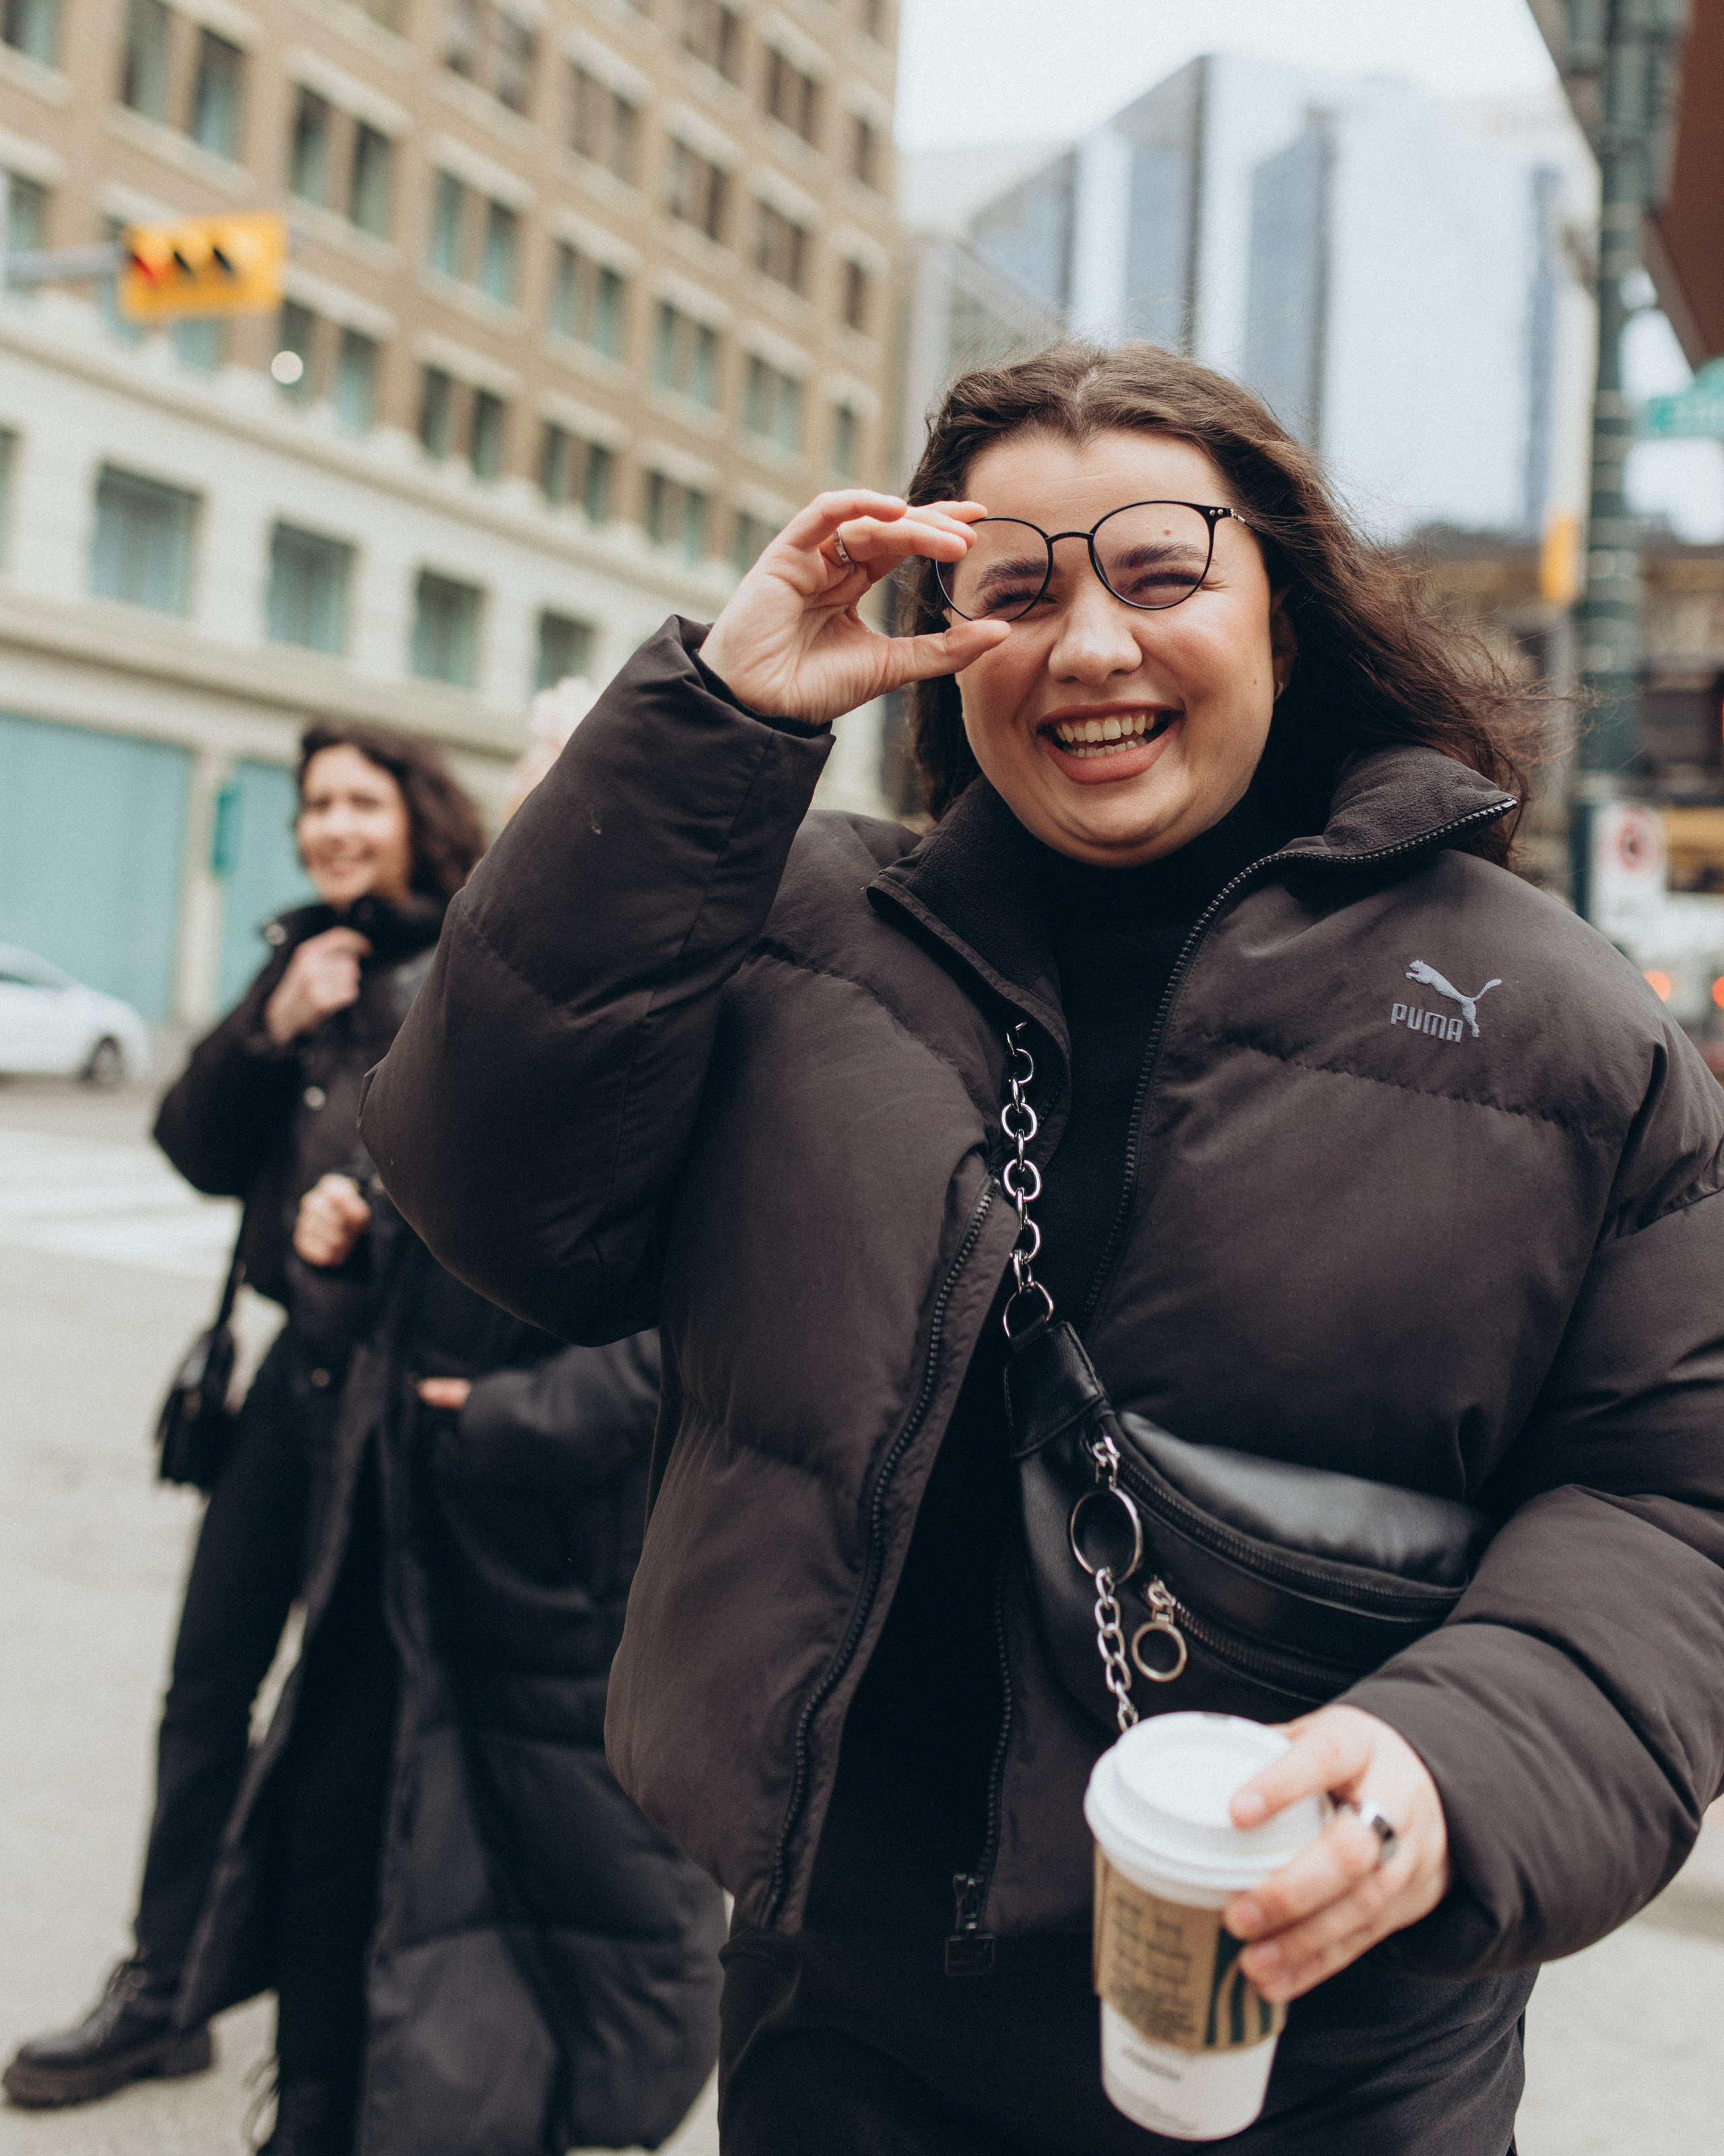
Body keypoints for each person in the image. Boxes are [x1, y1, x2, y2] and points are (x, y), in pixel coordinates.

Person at [358, 342, 1724, 2155]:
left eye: (1162, 572)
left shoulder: (1557, 1023)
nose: (1090, 649)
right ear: (942, 640)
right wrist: (723, 716)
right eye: (1016, 588)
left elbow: (1672, 1504)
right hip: (841, 2015)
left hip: (1321, 2044)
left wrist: (1452, 1766)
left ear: (1287, 618)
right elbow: (494, 1187)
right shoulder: (805, 929)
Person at [3, 723, 483, 2116]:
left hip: (406, 1388)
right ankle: (164, 1984)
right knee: (206, 1680)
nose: (330, 827)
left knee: (365, 1710)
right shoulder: (304, 964)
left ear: (415, 816)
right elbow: (195, 1149)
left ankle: (357, 2012)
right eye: (313, 806)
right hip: (294, 1377)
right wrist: (267, 1025)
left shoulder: (461, 955)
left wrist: (372, 1230)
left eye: (357, 801)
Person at [168, 1155, 726, 2156]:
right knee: (335, 1842)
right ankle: (311, 2118)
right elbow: (421, 1210)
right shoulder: (460, 1005)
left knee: (534, 1937)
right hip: (393, 1526)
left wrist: (517, 1419)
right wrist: (345, 1249)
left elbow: (722, 1307)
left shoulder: (714, 1015)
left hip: (560, 1569)